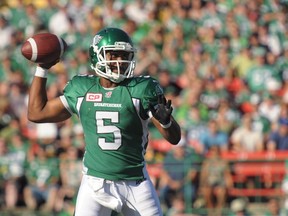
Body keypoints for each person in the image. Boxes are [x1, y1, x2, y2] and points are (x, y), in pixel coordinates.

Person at [27, 27, 181, 216]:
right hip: (94, 183)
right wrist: (41, 69)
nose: (119, 61)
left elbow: (174, 139)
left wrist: (166, 122)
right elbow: (36, 113)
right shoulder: (82, 88)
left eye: (124, 55)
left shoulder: (141, 89)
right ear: (96, 56)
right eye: (113, 54)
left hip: (135, 183)